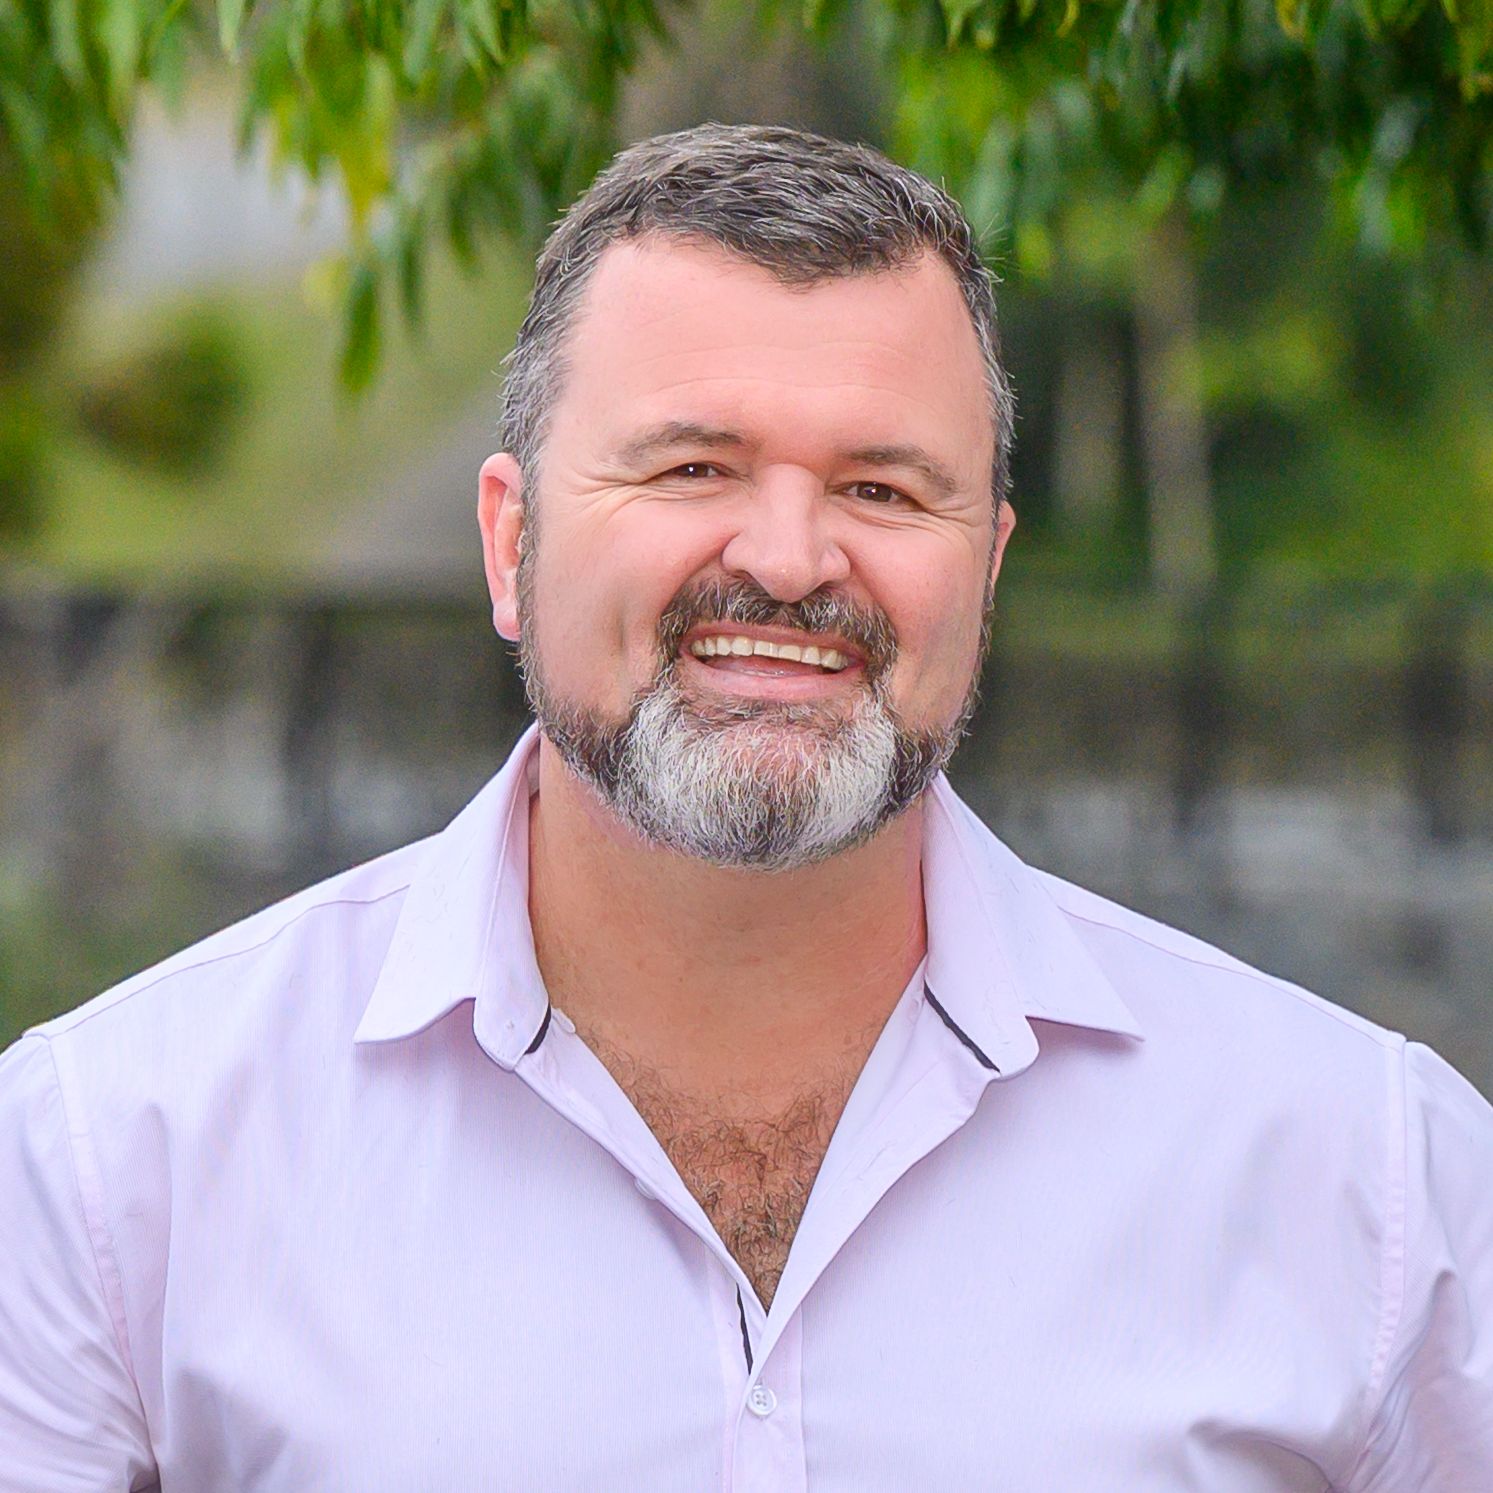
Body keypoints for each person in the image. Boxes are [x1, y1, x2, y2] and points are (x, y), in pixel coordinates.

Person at [1, 124, 1489, 1492]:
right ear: (510, 545)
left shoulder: (1368, 1180)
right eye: (692, 466)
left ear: (986, 570)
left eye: (883, 490)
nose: (787, 559)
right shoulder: (111, 1161)